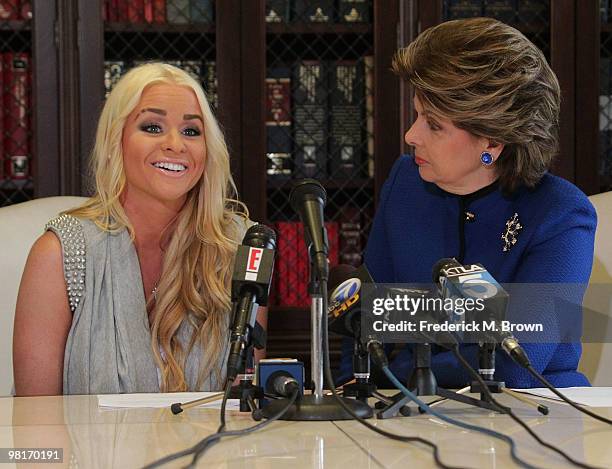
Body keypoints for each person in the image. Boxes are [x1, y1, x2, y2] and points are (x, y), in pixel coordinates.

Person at [340, 17, 596, 388]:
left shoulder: (561, 214)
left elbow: (514, 363)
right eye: (416, 115)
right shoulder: (405, 183)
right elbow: (364, 323)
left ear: (492, 141)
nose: (411, 135)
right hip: (414, 413)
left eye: (434, 124)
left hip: (534, 421)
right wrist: (357, 391)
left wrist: (390, 374)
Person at [13, 63, 265, 396]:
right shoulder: (61, 253)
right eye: (152, 127)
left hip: (214, 447)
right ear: (116, 140)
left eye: (192, 131)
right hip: (89, 449)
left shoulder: (242, 247)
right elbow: (36, 423)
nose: (176, 145)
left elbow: (247, 406)